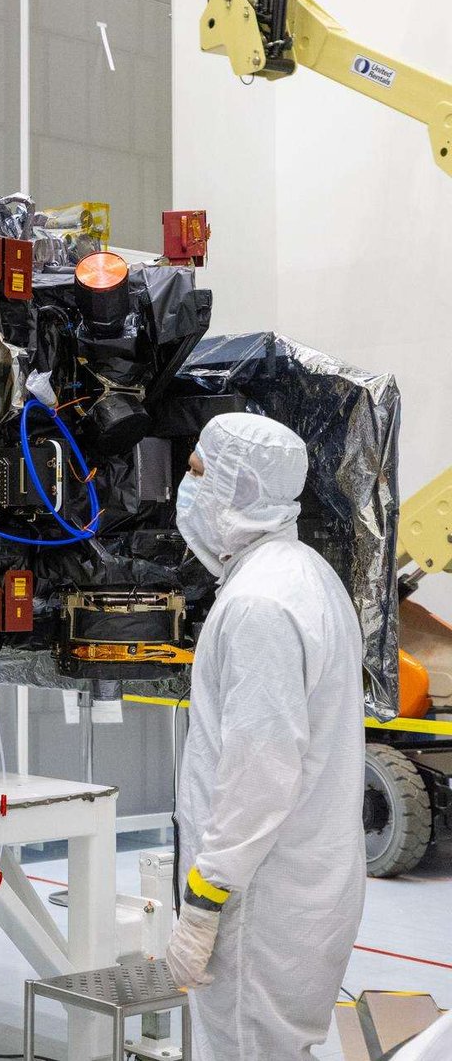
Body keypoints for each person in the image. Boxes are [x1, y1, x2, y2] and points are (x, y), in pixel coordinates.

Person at [165, 414, 365, 1061]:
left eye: (199, 474)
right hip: (297, 883)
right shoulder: (306, 575)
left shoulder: (259, 604)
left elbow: (259, 772)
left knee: (249, 1047)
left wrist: (205, 900)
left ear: (240, 486)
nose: (186, 490)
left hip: (258, 903)